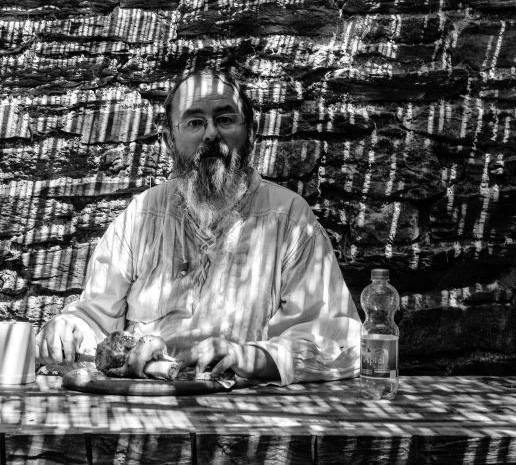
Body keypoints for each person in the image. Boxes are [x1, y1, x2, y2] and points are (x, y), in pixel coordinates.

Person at [36, 68, 361, 385]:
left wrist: (254, 358)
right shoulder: (142, 216)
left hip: (242, 414)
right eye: (194, 122)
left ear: (251, 131)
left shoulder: (288, 218)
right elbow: (96, 316)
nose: (210, 134)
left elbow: (343, 339)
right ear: (169, 139)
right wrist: (69, 328)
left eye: (225, 119)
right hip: (143, 404)